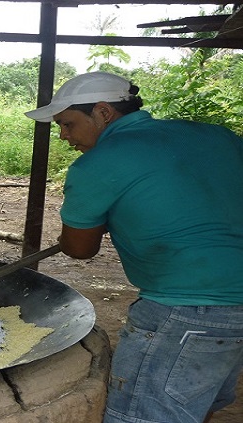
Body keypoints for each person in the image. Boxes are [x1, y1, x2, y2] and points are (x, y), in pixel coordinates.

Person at [25, 71, 243, 423]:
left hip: (186, 308)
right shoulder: (218, 136)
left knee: (143, 415)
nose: (64, 136)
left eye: (67, 124)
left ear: (103, 112)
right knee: (194, 406)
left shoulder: (98, 163)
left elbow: (80, 249)